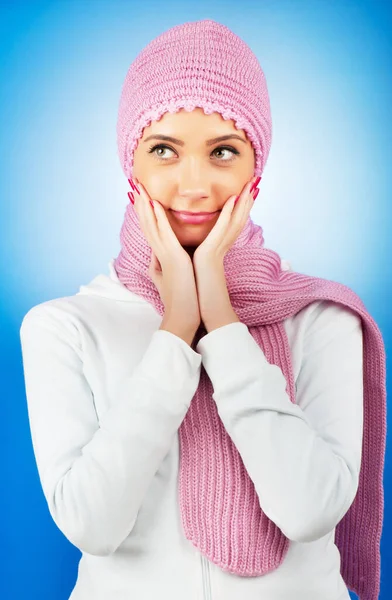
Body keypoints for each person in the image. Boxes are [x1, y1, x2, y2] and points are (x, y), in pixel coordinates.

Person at [19, 18, 386, 600]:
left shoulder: (321, 318)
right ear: (130, 166)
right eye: (163, 149)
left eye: (223, 151)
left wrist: (222, 321)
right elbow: (92, 524)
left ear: (255, 170)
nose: (194, 187)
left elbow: (310, 511)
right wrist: (175, 332)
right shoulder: (64, 327)